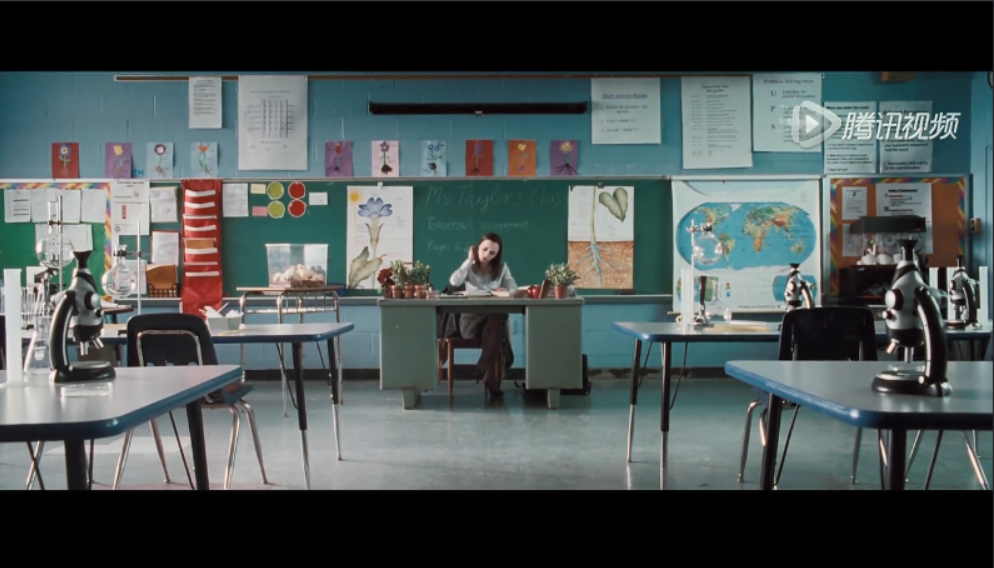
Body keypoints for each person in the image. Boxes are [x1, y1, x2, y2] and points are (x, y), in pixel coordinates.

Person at [448, 233, 517, 396]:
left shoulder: (501, 269)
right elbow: (454, 282)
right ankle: (486, 374)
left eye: (492, 253)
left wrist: (506, 290)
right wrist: (468, 260)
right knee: (498, 327)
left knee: (497, 318)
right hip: (471, 321)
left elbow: (514, 289)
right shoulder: (470, 267)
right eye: (484, 249)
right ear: (477, 248)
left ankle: (482, 366)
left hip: (491, 321)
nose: (487, 255)